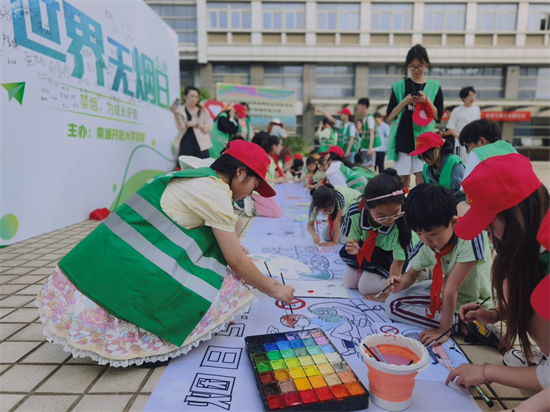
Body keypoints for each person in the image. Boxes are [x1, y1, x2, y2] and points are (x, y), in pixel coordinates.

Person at [36, 140, 295, 367]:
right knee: (232, 282)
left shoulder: (199, 175)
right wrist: (273, 289)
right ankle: (146, 337)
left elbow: (223, 232)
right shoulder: (214, 194)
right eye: (254, 185)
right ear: (240, 173)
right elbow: (236, 261)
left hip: (105, 258)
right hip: (130, 267)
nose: (252, 193)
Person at [445, 154, 549, 404]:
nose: (488, 234)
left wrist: (486, 371)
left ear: (516, 214)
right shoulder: (536, 244)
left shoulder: (540, 285)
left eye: (489, 224)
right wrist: (495, 314)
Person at [384, 183, 493, 346]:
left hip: (471, 301)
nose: (426, 240)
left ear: (453, 223)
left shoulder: (471, 235)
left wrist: (444, 330)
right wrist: (401, 283)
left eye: (432, 234)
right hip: (445, 289)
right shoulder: (427, 243)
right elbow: (411, 274)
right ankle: (457, 321)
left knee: (392, 306)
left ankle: (463, 323)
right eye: (419, 234)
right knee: (395, 297)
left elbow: (452, 288)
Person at [341, 169, 418, 295]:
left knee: (365, 287)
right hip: (371, 249)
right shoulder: (355, 212)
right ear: (367, 206)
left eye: (395, 213)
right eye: (381, 216)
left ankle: (411, 281)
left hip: (393, 255)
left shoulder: (401, 222)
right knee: (350, 282)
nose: (390, 220)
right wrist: (353, 246)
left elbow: (397, 263)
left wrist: (390, 293)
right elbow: (353, 240)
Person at [386, 45, 444, 189]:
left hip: (425, 140)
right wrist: (404, 102)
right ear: (407, 65)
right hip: (403, 138)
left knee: (421, 179)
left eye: (420, 66)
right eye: (412, 66)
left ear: (427, 64)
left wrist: (427, 101)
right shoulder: (399, 86)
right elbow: (389, 116)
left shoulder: (435, 86)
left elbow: (438, 117)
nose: (416, 70)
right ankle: (403, 208)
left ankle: (420, 209)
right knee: (402, 180)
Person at [408, 132, 466, 203]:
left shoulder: (454, 163)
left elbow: (460, 194)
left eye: (425, 154)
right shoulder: (426, 167)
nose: (423, 159)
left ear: (437, 149)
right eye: (420, 156)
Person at [171, 86, 213, 162]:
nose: (194, 99)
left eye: (196, 97)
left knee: (203, 167)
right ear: (185, 96)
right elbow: (181, 128)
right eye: (192, 96)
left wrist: (196, 124)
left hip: (201, 145)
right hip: (185, 144)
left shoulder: (202, 110)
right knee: (185, 168)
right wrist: (176, 113)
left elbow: (209, 127)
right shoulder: (180, 111)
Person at [250, 135, 285, 218]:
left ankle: (253, 204)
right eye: (280, 146)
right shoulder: (266, 157)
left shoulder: (269, 157)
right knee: (278, 213)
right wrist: (276, 181)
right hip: (260, 192)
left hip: (263, 191)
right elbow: (259, 174)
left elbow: (270, 173)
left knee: (275, 209)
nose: (281, 148)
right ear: (274, 146)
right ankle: (252, 205)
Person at [443, 87, 480, 163]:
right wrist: (460, 138)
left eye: (473, 94)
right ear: (463, 98)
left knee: (473, 163)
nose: (472, 97)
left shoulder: (476, 109)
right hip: (461, 144)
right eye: (469, 95)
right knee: (461, 163)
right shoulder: (457, 110)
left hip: (474, 142)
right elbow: (451, 128)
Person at [357, 98, 379, 169]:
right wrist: (362, 148)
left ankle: (373, 180)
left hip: (370, 148)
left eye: (359, 106)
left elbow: (371, 133)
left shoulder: (369, 118)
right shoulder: (365, 118)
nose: (358, 108)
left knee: (370, 167)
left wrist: (370, 148)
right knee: (366, 167)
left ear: (364, 106)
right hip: (366, 147)